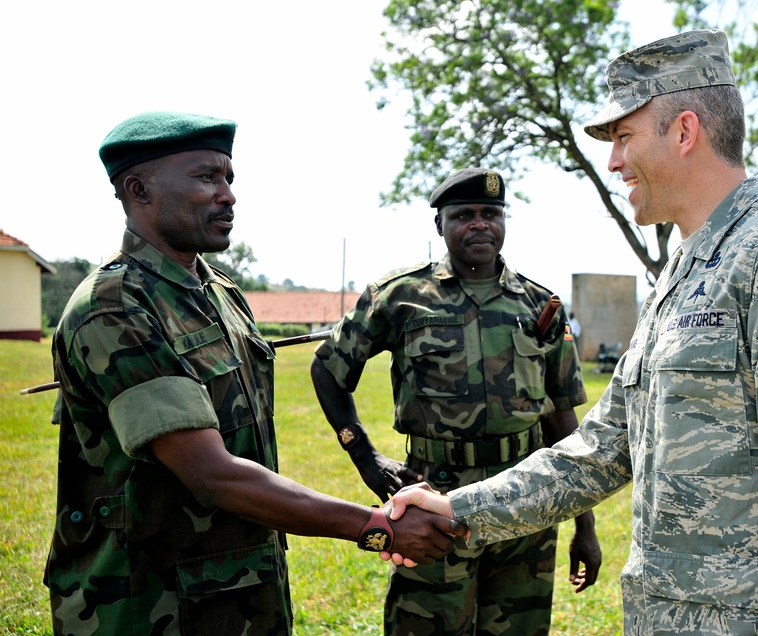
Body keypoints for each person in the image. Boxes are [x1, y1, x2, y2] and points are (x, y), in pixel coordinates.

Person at [386, 30, 758, 635]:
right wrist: (458, 510)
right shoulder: (684, 271)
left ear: (685, 131)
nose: (612, 161)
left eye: (622, 136)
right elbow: (601, 449)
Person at [45, 111, 465, 636]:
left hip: (237, 586)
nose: (228, 195)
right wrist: (375, 527)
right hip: (149, 600)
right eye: (206, 177)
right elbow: (211, 473)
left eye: (229, 178)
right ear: (138, 189)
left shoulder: (218, 293)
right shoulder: (115, 307)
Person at [310, 167, 601, 635]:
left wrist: (584, 525)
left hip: (525, 498)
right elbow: (328, 368)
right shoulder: (400, 297)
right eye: (464, 215)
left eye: (491, 213)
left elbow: (562, 418)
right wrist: (364, 456)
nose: (479, 224)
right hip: (433, 499)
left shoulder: (538, 305)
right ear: (440, 225)